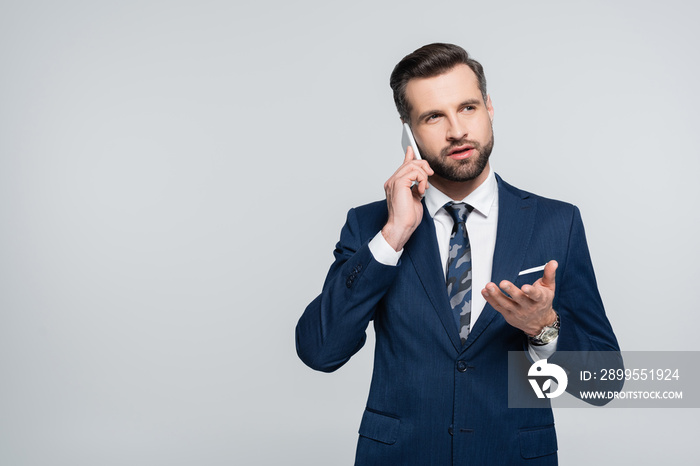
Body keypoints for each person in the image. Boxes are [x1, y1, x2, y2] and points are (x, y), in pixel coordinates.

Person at [295, 43, 620, 465]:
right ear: (408, 131)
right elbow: (320, 352)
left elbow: (603, 383)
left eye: (467, 108)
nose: (457, 130)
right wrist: (393, 235)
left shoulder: (557, 222)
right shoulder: (369, 226)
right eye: (433, 116)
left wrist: (544, 329)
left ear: (488, 106)